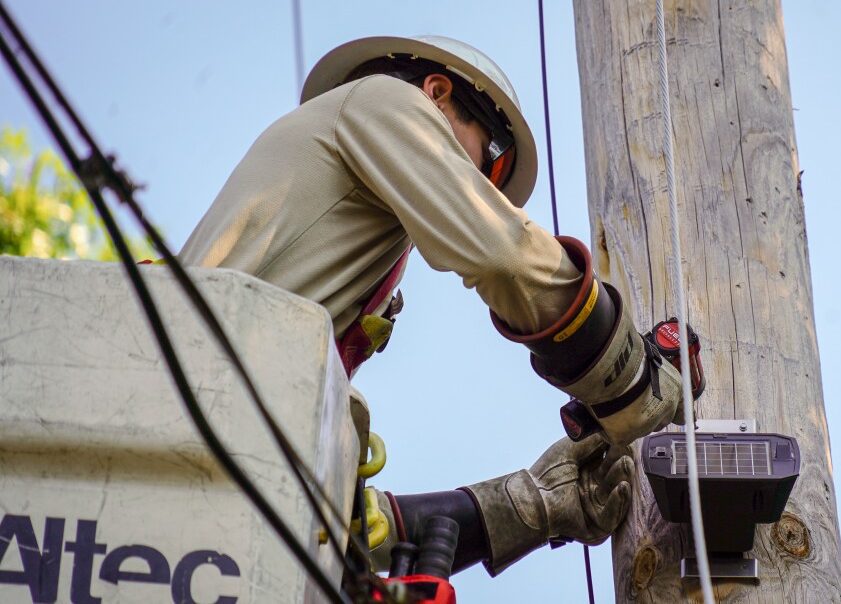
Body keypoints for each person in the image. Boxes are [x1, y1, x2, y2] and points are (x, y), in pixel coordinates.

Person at [178, 36, 686, 576]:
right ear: (437, 93)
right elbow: (503, 255)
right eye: (490, 164)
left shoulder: (295, 334)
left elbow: (336, 529)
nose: (482, 188)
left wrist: (527, 505)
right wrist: (630, 379)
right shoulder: (381, 99)